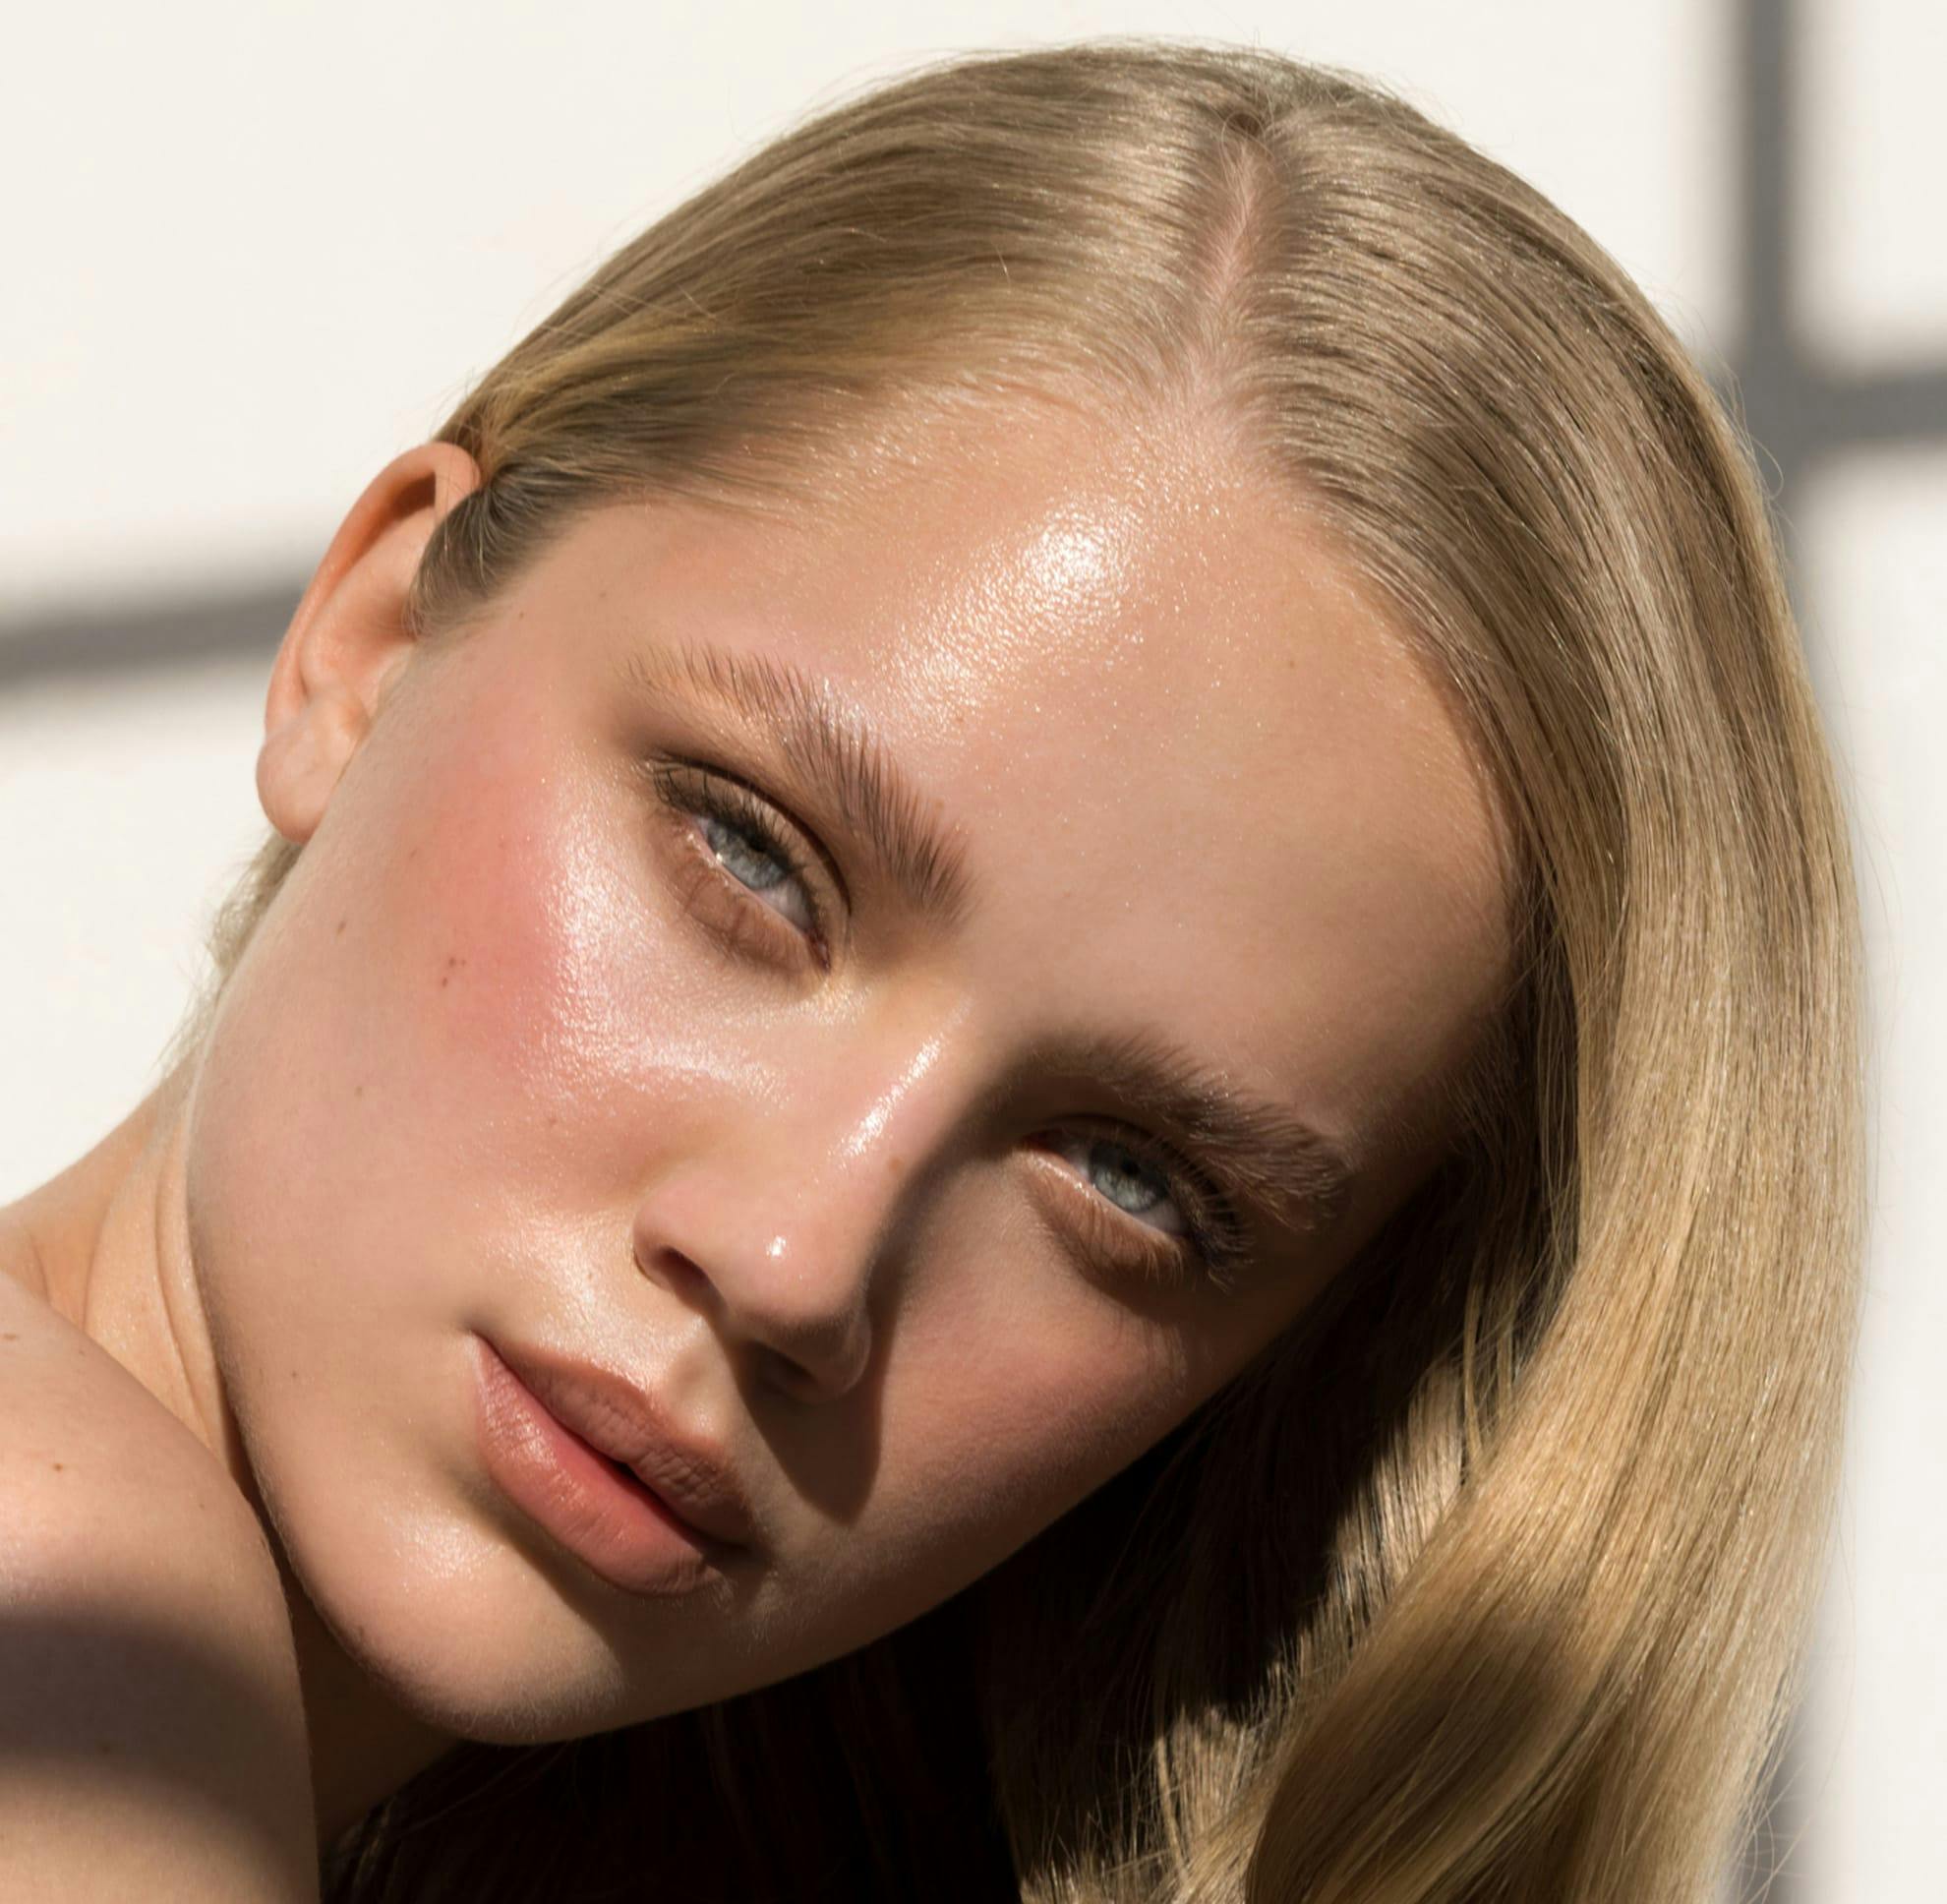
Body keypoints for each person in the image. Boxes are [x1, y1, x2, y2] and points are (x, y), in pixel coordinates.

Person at [0, 36, 1865, 1904]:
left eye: (1133, 1179)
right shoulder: (71, 1634)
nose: (799, 1261)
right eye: (753, 860)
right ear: (375, 638)